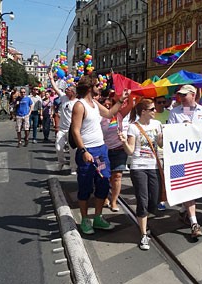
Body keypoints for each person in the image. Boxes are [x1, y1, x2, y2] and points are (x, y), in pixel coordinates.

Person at [70, 74, 130, 235]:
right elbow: (76, 131)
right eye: (97, 85)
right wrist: (83, 151)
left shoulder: (95, 103)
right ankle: (84, 219)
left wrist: (121, 100)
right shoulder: (80, 105)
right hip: (87, 152)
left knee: (103, 181)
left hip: (101, 151)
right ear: (90, 87)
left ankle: (98, 217)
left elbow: (110, 114)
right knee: (85, 186)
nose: (100, 88)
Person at [168, 84, 202, 238]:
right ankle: (194, 223)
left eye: (184, 95)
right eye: (180, 95)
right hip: (180, 158)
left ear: (193, 95)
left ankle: (183, 210)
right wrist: (182, 128)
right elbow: (170, 134)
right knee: (187, 188)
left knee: (195, 188)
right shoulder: (175, 112)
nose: (181, 97)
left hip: (198, 156)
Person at [119, 98, 162, 250]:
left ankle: (143, 218)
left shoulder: (157, 125)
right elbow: (130, 151)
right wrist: (124, 141)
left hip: (154, 166)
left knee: (155, 199)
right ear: (143, 111)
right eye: (152, 109)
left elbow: (161, 145)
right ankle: (143, 234)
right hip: (138, 167)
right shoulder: (133, 127)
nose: (155, 111)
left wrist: (163, 137)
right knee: (142, 199)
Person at [100, 94, 133, 212]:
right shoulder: (98, 117)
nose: (108, 106)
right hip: (102, 151)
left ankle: (114, 201)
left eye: (110, 104)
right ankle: (103, 197)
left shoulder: (119, 114)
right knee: (104, 177)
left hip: (119, 150)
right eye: (105, 104)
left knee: (117, 177)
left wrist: (129, 94)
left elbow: (130, 105)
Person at [49, 71, 78, 174]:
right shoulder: (63, 97)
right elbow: (56, 89)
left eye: (68, 90)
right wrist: (51, 79)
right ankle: (61, 162)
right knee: (58, 147)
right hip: (62, 129)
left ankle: (73, 168)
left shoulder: (77, 103)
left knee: (72, 150)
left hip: (72, 130)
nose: (66, 90)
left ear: (73, 93)